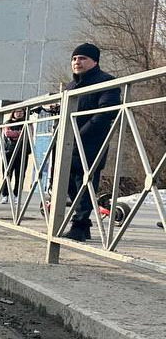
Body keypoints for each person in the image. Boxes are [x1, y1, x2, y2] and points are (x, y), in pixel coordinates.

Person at [58, 43, 120, 242]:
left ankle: (79, 224)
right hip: (69, 143)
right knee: (68, 182)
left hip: (92, 142)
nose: (77, 62)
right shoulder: (71, 86)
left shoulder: (106, 81)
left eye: (82, 58)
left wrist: (78, 134)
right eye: (75, 59)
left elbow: (106, 112)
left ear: (95, 61)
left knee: (85, 183)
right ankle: (83, 225)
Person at [0, 106, 30, 204]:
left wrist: (16, 134)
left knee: (20, 175)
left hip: (22, 152)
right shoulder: (8, 123)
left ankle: (17, 195)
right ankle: (5, 195)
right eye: (16, 111)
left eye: (21, 111)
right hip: (8, 151)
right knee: (7, 174)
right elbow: (8, 133)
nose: (19, 113)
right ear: (13, 113)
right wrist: (19, 133)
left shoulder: (27, 123)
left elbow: (28, 134)